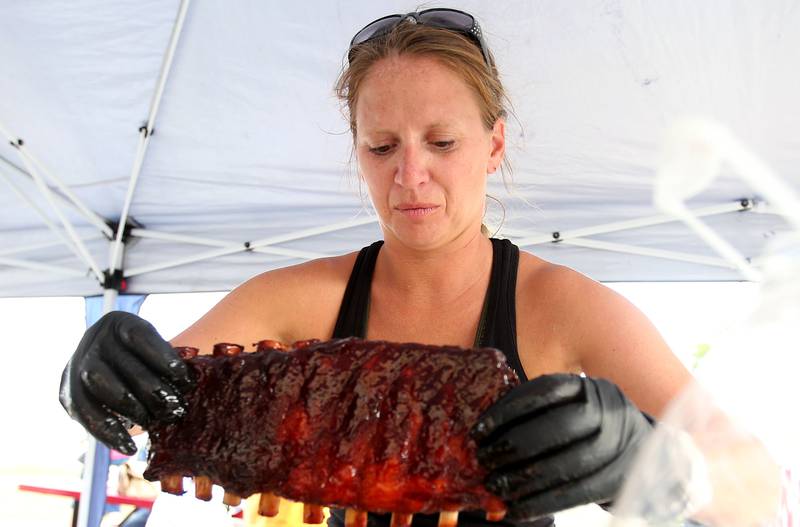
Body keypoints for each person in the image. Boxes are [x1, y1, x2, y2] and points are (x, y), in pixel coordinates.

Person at [59, 8, 692, 527]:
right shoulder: (299, 297)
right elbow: (150, 397)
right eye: (382, 147)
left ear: (494, 144)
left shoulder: (565, 306)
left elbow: (745, 481)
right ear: (356, 150)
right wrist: (86, 374)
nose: (410, 176)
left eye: (442, 143)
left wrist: (647, 459)